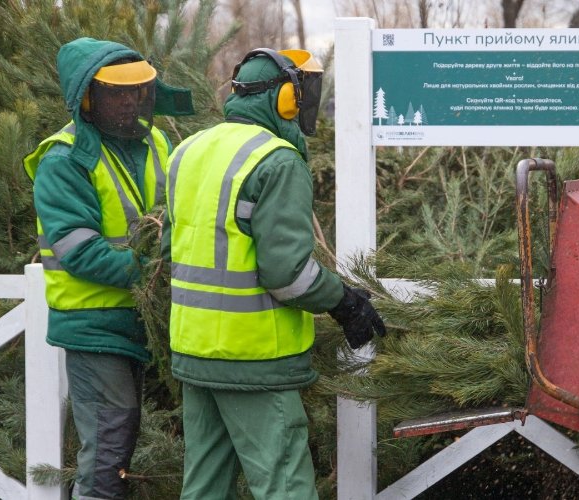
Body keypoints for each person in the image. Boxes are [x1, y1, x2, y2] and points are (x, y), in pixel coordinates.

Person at [161, 48, 387, 499]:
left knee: (204, 487)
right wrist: (344, 302)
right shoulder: (277, 160)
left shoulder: (188, 151)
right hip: (254, 359)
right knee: (285, 485)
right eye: (303, 95)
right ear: (285, 99)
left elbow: (171, 249)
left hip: (194, 352)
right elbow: (287, 275)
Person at [23, 37, 193, 499]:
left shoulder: (157, 140)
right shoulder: (64, 159)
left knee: (123, 439)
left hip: (145, 319)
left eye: (135, 91)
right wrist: (156, 276)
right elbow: (80, 251)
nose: (128, 101)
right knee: (108, 450)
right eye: (116, 92)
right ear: (86, 97)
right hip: (94, 323)